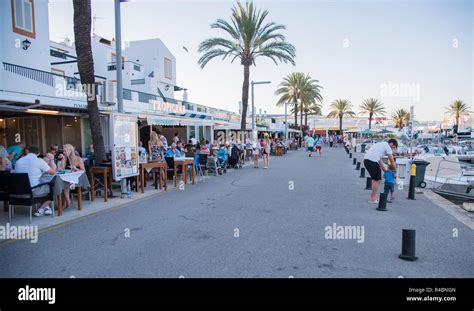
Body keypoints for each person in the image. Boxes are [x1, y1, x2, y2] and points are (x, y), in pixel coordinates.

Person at [14, 145, 55, 216]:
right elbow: (53, 172)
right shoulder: (39, 161)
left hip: (17, 191)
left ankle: (46, 207)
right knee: (54, 187)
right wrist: (51, 159)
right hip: (32, 191)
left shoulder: (18, 161)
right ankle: (41, 209)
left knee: (42, 185)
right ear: (38, 153)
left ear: (28, 151)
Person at [363, 139, 398, 204]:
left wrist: (385, 170)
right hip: (372, 161)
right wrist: (395, 169)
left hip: (366, 160)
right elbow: (391, 159)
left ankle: (374, 197)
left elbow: (379, 160)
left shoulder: (380, 144)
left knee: (375, 179)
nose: (392, 149)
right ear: (392, 144)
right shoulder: (387, 146)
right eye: (394, 147)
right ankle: (372, 199)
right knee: (377, 180)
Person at [57, 144, 85, 209]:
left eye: (65, 151)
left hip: (77, 180)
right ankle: (65, 202)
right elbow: (62, 169)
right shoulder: (65, 159)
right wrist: (63, 159)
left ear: (70, 151)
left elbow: (83, 170)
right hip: (67, 179)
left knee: (65, 185)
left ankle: (67, 202)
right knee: (61, 184)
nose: (64, 153)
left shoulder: (78, 159)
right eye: (63, 151)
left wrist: (76, 169)